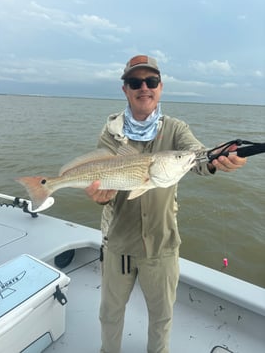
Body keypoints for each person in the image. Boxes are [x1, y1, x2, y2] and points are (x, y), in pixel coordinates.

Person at [85, 55, 247, 353]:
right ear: (125, 89)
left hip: (162, 245)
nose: (143, 87)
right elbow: (101, 177)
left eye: (151, 81)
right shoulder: (110, 133)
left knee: (162, 318)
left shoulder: (176, 129)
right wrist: (99, 195)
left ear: (161, 87)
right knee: (109, 315)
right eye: (135, 82)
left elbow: (198, 157)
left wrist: (217, 160)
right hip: (118, 243)